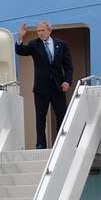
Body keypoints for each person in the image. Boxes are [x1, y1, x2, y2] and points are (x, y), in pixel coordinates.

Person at [16, 21, 73, 149]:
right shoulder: (34, 44)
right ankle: (41, 144)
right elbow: (21, 51)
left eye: (42, 30)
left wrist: (67, 81)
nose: (40, 33)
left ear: (49, 31)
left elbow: (68, 66)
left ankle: (60, 142)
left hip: (58, 87)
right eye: (38, 31)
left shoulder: (61, 45)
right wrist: (20, 38)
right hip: (41, 87)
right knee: (40, 117)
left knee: (61, 115)